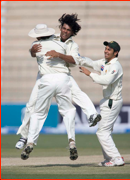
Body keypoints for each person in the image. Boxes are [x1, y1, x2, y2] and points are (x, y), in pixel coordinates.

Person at [16, 14, 101, 151]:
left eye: (69, 30)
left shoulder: (73, 45)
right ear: (60, 27)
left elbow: (74, 60)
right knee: (31, 105)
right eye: (64, 28)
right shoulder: (51, 36)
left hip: (63, 74)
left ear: (73, 33)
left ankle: (92, 114)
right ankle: (24, 137)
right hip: (43, 76)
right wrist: (31, 51)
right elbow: (36, 47)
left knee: (77, 92)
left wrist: (59, 54)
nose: (65, 32)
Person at [20, 24, 78, 160]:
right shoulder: (60, 44)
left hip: (46, 80)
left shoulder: (36, 44)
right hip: (63, 79)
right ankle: (72, 142)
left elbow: (33, 53)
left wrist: (32, 51)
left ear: (38, 36)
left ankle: (30, 143)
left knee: (38, 113)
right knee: (68, 111)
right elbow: (71, 59)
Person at [79, 41, 125, 167]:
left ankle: (116, 158)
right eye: (105, 48)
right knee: (105, 131)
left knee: (102, 132)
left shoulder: (116, 66)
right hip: (107, 101)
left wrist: (90, 74)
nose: (106, 51)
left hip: (112, 101)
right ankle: (109, 158)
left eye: (109, 49)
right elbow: (91, 63)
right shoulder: (104, 63)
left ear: (115, 53)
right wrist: (77, 57)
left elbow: (107, 80)